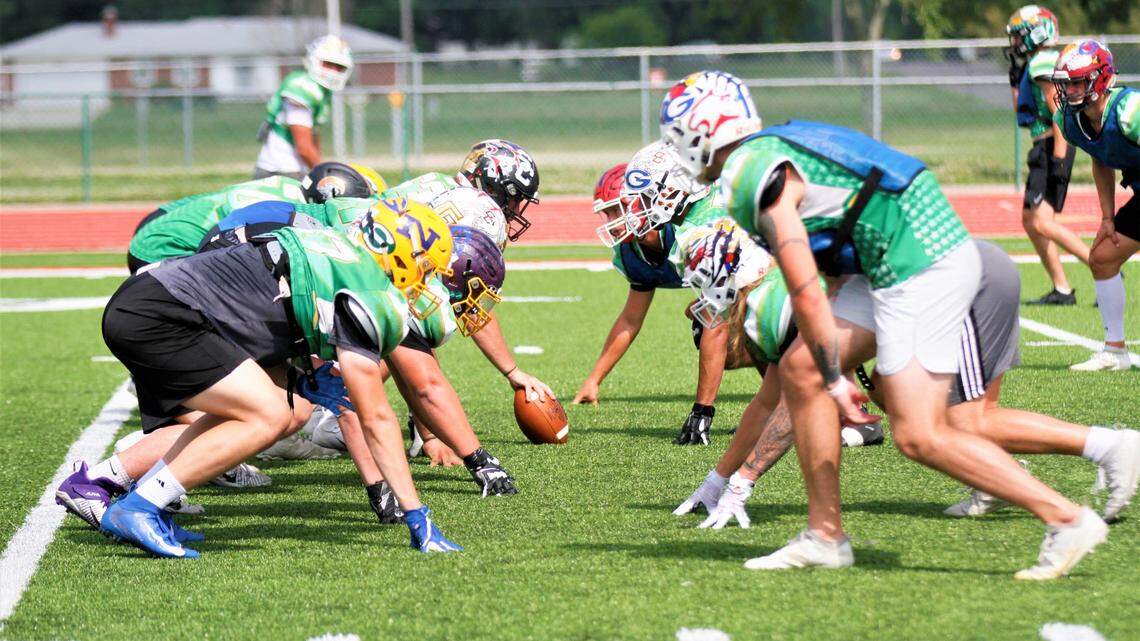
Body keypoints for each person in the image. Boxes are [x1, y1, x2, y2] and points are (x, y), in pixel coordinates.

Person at [662, 69, 1107, 580]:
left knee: (918, 434)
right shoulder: (776, 140)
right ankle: (825, 535)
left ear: (704, 130)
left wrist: (837, 375)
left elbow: (801, 272)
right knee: (800, 368)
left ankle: (1066, 518)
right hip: (899, 248)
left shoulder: (745, 170)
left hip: (915, 258)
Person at [675, 235, 1139, 532]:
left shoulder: (780, 304)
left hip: (965, 286)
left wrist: (744, 480)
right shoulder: (783, 292)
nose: (703, 303)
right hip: (960, 280)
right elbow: (766, 403)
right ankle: (1000, 479)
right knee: (921, 415)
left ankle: (1109, 447)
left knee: (963, 423)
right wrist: (717, 478)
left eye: (705, 287)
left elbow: (788, 404)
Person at [79, 201, 461, 558]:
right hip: (163, 316)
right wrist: (416, 512)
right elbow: (375, 417)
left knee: (272, 409)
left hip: (154, 303)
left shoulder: (338, 252)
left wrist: (299, 374)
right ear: (402, 254)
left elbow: (264, 309)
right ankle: (140, 507)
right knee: (271, 415)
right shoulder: (360, 286)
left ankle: (148, 503)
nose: (424, 283)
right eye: (426, 269)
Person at [571, 142, 730, 446]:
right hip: (749, 287)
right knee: (706, 320)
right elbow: (631, 319)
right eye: (608, 213)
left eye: (618, 208)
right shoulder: (632, 252)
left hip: (779, 283)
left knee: (709, 323)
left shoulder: (696, 227)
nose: (612, 222)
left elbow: (720, 314)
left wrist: (701, 413)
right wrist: (594, 379)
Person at [1052, 39, 1140, 371]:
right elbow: (1101, 161)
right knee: (1103, 257)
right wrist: (1107, 217)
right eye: (1067, 83)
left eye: (1078, 81)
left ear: (1101, 78)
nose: (1070, 90)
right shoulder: (1070, 121)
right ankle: (1115, 352)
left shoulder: (1130, 110)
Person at [128, 162, 374, 274]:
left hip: (156, 235)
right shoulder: (289, 209)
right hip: (164, 250)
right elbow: (221, 242)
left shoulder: (285, 186)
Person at [1006, 5, 1089, 305]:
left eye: (1019, 35)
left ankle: (1103, 267)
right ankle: (1062, 288)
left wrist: (1057, 160)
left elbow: (1058, 113)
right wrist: (1016, 82)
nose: (1015, 42)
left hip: (1051, 147)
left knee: (1040, 222)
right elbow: (1023, 111)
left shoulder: (1043, 61)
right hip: (1044, 146)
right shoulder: (1036, 62)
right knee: (1032, 221)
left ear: (1036, 32)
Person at [255, 35, 353, 179]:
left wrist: (317, 168)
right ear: (314, 60)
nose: (333, 71)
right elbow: (304, 148)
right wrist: (326, 175)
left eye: (339, 67)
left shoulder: (321, 91)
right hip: (281, 171)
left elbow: (313, 137)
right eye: (328, 64)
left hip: (294, 169)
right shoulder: (302, 87)